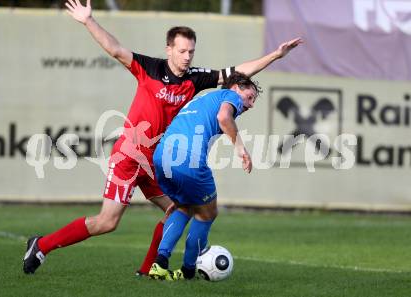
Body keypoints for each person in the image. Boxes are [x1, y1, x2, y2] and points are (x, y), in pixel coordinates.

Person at [22, 0, 303, 275]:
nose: (187, 57)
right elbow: (115, 48)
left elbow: (238, 73)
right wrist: (88, 20)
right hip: (130, 156)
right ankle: (41, 245)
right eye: (182, 51)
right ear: (169, 49)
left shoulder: (195, 78)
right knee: (107, 222)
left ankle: (149, 271)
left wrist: (276, 55)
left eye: (191, 51)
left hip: (158, 159)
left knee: (177, 210)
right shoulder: (150, 68)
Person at [148, 72, 259, 280]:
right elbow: (224, 118)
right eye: (250, 97)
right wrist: (241, 149)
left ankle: (159, 264)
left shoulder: (202, 100)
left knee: (184, 206)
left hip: (161, 157)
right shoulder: (229, 95)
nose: (251, 104)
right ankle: (188, 270)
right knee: (207, 213)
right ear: (235, 88)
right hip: (188, 160)